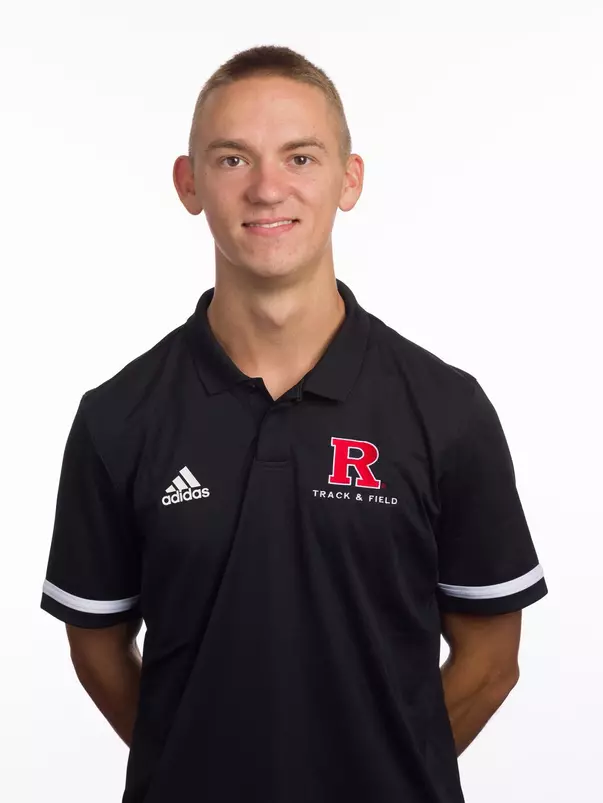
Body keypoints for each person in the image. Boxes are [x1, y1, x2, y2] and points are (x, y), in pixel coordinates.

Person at [40, 44, 548, 803]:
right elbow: (97, 650)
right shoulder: (118, 417)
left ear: (350, 179)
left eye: (301, 157)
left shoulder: (446, 409)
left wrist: (378, 777)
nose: (267, 188)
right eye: (232, 159)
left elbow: (491, 659)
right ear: (188, 183)